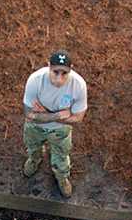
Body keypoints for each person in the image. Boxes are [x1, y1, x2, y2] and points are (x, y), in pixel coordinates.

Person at [23, 50, 87, 199]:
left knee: (61, 157)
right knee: (33, 146)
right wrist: (57, 115)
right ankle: (35, 159)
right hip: (35, 128)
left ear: (71, 69)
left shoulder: (79, 86)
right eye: (55, 72)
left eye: (64, 74)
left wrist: (43, 113)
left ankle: (61, 177)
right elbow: (30, 116)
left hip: (60, 131)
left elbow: (78, 118)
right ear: (48, 66)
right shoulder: (35, 80)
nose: (59, 79)